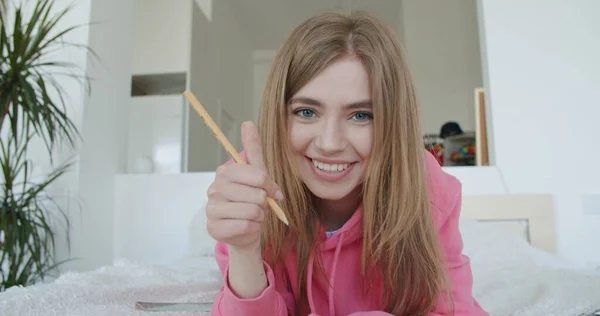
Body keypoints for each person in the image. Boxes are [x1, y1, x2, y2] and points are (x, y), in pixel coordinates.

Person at [205, 9, 488, 316]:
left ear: (394, 123)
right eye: (306, 112)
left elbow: (452, 308)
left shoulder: (427, 185)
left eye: (361, 115)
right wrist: (244, 249)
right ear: (279, 114)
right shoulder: (249, 183)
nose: (330, 143)